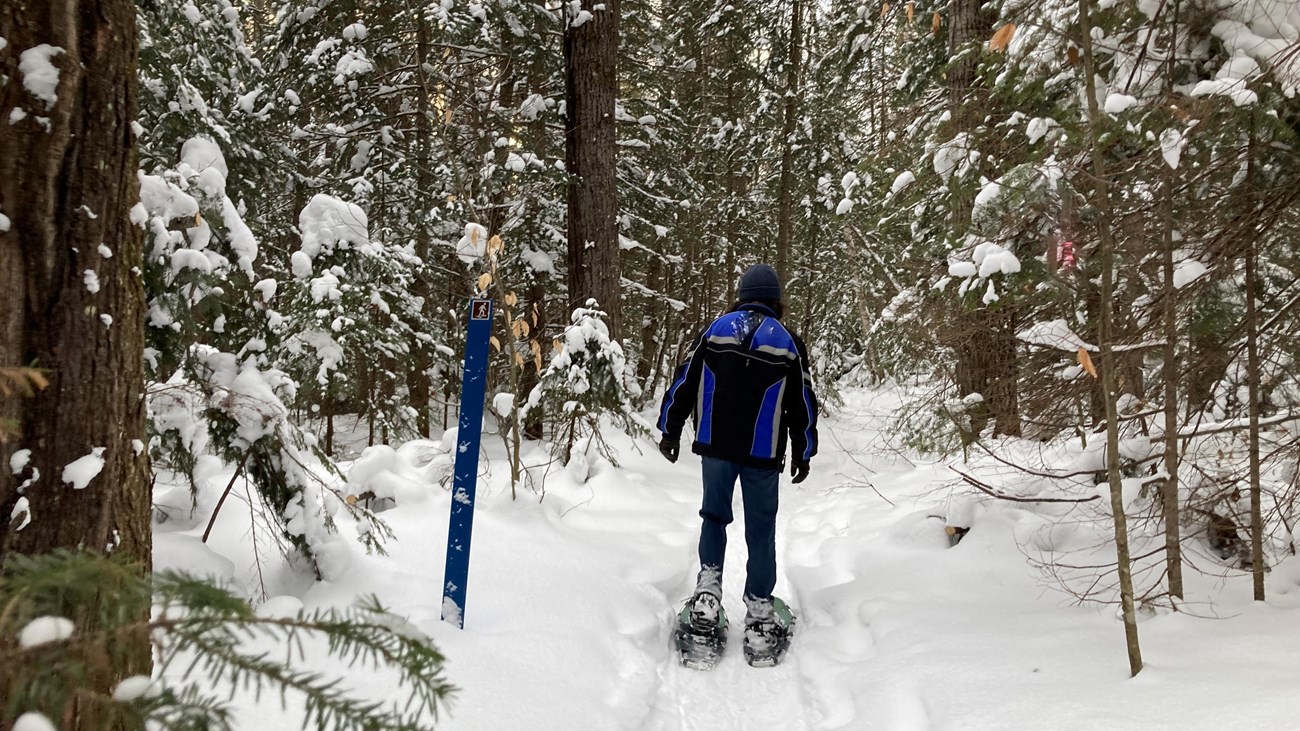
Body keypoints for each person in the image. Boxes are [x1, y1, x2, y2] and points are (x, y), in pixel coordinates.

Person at [657, 263, 818, 654]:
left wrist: (670, 429)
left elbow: (684, 380)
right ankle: (760, 609)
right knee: (760, 530)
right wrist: (804, 450)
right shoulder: (787, 341)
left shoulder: (715, 330)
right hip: (763, 454)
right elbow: (803, 404)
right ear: (775, 300)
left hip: (715, 446)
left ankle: (708, 593)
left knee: (714, 517)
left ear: (742, 295)